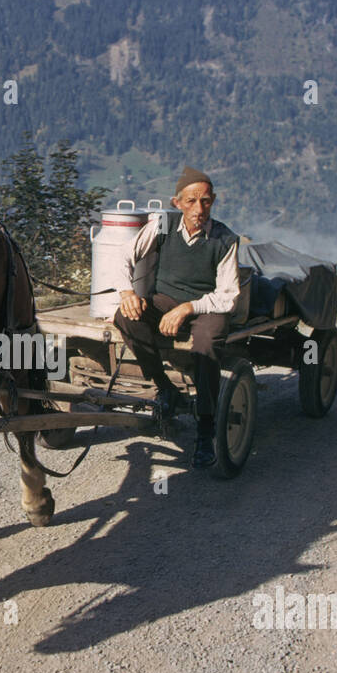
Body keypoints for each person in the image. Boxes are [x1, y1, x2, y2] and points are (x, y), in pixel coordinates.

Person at [112, 166, 243, 468]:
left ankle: (206, 426)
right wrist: (126, 293)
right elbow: (124, 255)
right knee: (125, 317)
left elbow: (228, 295)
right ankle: (164, 386)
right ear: (177, 203)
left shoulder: (225, 239)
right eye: (191, 201)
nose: (199, 209)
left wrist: (187, 308)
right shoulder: (162, 225)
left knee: (207, 345)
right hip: (164, 299)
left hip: (206, 306)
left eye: (206, 201)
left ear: (213, 201)